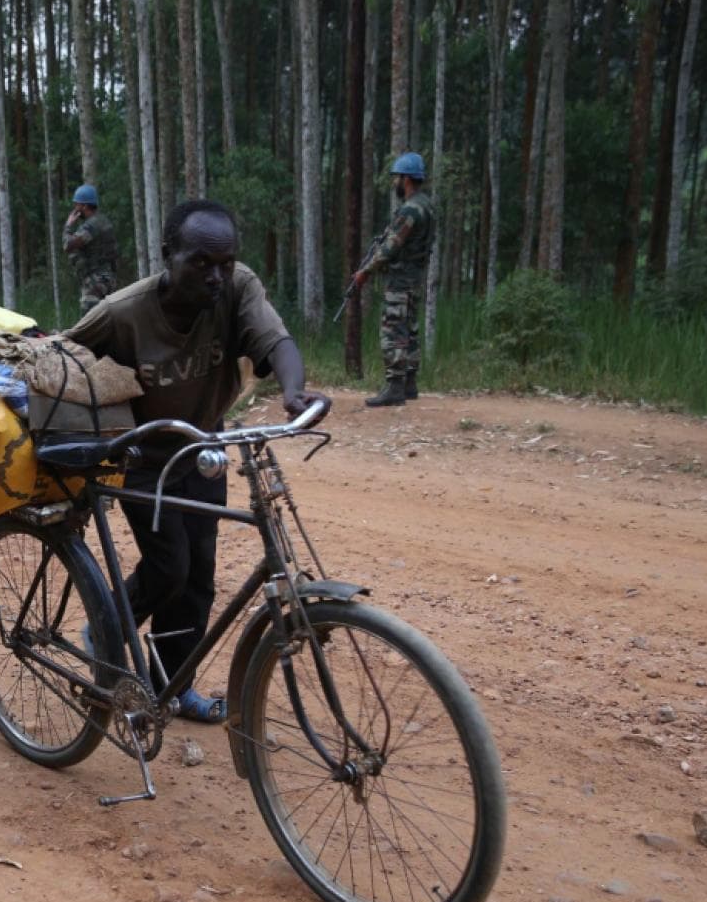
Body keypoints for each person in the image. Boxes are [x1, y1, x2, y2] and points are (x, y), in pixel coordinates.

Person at [64, 199, 328, 721]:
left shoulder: (237, 287)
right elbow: (62, 362)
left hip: (202, 444)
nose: (215, 275)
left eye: (224, 262)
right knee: (170, 568)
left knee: (199, 576)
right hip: (143, 456)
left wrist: (295, 392)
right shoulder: (123, 312)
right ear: (168, 256)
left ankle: (171, 686)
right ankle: (104, 630)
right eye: (200, 263)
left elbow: (275, 339)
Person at [355, 152, 435, 407]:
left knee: (393, 331)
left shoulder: (410, 209)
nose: (394, 183)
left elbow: (390, 247)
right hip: (414, 278)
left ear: (406, 179)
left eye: (397, 178)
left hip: (401, 280)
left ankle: (395, 387)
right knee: (409, 330)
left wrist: (365, 271)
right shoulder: (427, 205)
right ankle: (410, 383)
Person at [62, 184, 119, 315]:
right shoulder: (103, 221)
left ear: (85, 206)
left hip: (95, 283)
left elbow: (68, 245)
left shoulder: (92, 226)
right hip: (108, 280)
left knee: (89, 324)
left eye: (77, 205)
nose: (75, 209)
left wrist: (68, 226)